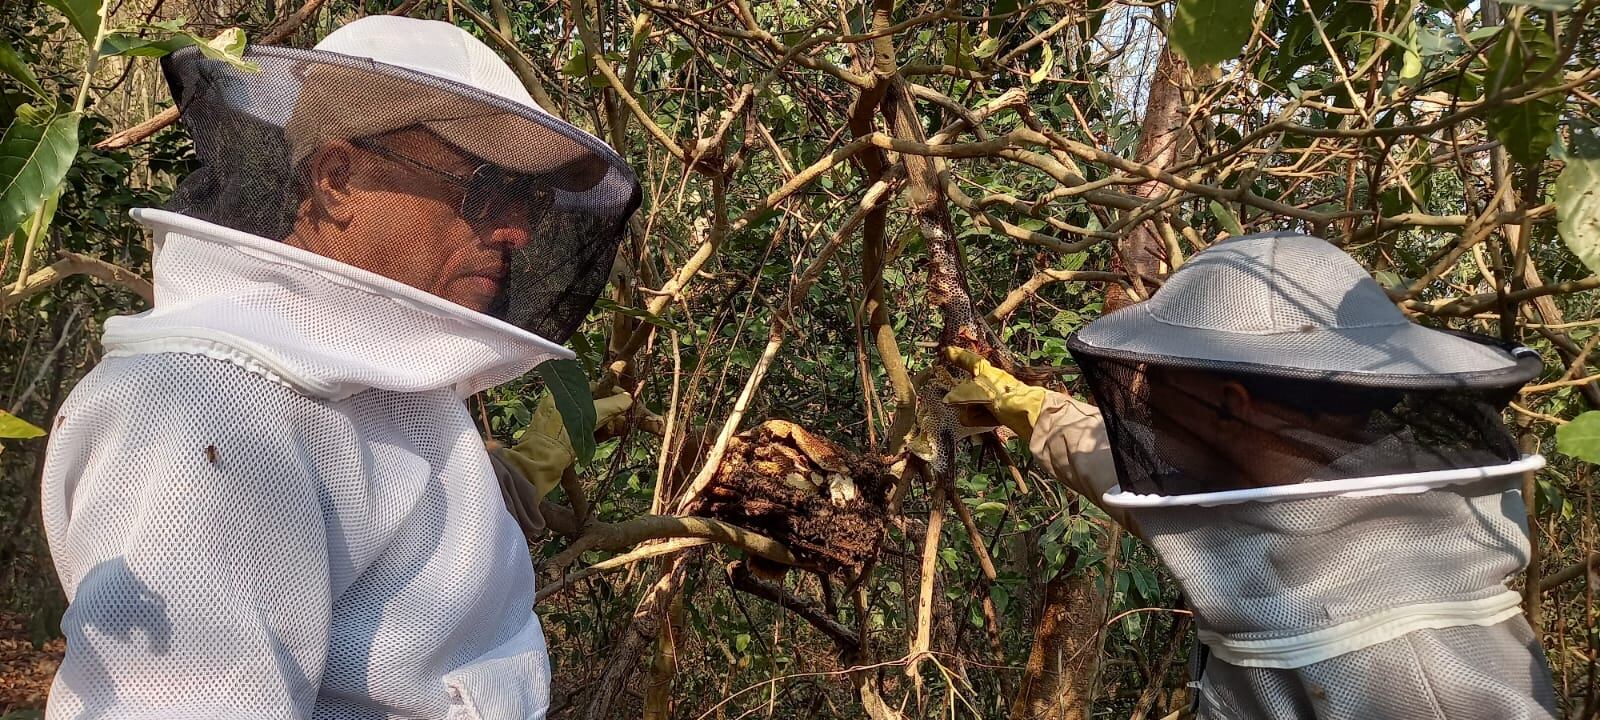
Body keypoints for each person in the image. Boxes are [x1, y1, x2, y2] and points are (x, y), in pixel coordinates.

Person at [39, 16, 638, 719]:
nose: (518, 230)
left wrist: (499, 475)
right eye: (485, 190)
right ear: (338, 179)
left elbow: (380, 538)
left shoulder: (362, 371)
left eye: (529, 199)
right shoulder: (207, 407)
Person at [945, 232, 1559, 719]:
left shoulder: (1428, 684)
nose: (1144, 399)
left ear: (1231, 405)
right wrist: (1027, 407)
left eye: (1162, 376)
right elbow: (1143, 482)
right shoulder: (1277, 493)